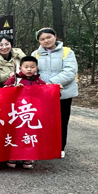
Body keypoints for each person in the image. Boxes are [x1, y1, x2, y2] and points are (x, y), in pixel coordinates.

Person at [33, 28, 78, 157]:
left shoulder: (67, 52)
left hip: (62, 93)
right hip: (43, 94)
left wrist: (50, 84)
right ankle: (43, 145)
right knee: (42, 120)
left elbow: (70, 71)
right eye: (42, 39)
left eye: (48, 37)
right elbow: (32, 71)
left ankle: (59, 147)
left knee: (61, 121)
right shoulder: (36, 54)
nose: (46, 41)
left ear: (55, 36)